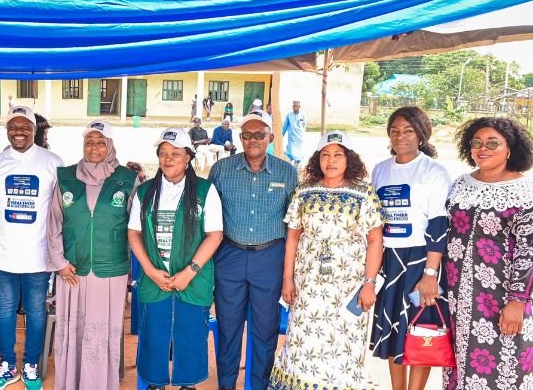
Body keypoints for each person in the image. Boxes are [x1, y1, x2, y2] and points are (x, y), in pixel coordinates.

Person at [269, 131, 385, 389]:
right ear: (317, 159)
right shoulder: (304, 191)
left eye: (338, 155)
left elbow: (376, 240)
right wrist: (287, 279)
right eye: (325, 155)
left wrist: (369, 283)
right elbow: (293, 237)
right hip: (308, 282)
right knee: (303, 340)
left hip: (347, 286)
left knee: (343, 342)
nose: (331, 161)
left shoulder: (364, 193)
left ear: (349, 158)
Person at [443, 117, 533, 390]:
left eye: (492, 143)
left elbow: (528, 252)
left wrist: (517, 302)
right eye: (476, 142)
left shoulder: (525, 192)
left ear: (509, 149)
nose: (482, 148)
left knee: (503, 365)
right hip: (455, 297)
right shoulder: (460, 184)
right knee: (458, 368)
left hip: (498, 298)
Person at [128, 128, 224, 390]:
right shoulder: (145, 191)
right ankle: (155, 384)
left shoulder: (205, 191)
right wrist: (149, 270)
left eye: (175, 154)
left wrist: (189, 272)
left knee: (190, 338)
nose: (168, 159)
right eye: (163, 154)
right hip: (154, 279)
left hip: (192, 281)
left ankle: (187, 384)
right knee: (153, 338)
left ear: (188, 158)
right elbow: (133, 232)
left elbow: (215, 235)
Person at [208, 112, 298, 390]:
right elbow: (210, 217)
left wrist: (288, 273)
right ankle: (226, 385)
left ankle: (258, 384)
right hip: (229, 256)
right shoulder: (221, 170)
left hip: (270, 258)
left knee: (265, 328)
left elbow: (294, 223)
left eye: (260, 134)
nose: (253, 140)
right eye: (247, 135)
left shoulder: (287, 172)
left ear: (270, 137)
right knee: (229, 325)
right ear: (240, 139)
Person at [0, 106, 62, 390]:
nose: (19, 131)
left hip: (39, 257)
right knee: (4, 312)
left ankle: (31, 364)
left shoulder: (53, 162)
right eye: (13, 126)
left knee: (36, 312)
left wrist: (58, 254)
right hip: (3, 256)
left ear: (35, 130)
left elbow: (61, 212)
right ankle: (7, 364)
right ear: (7, 130)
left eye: (25, 126)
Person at [48, 120, 138, 390]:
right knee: (73, 328)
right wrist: (60, 263)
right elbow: (53, 223)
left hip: (110, 270)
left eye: (100, 142)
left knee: (101, 330)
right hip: (71, 270)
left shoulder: (127, 179)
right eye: (89, 141)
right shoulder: (65, 177)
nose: (94, 147)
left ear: (110, 145)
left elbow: (136, 228)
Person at [369, 107, 451, 390]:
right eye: (394, 130)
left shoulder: (433, 171)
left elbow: (439, 223)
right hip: (388, 260)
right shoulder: (380, 169)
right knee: (393, 331)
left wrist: (431, 273)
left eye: (408, 130)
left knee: (420, 330)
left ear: (421, 134)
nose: (400, 136)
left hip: (421, 260)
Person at [281, 100, 306, 167]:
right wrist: (281, 136)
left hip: (300, 139)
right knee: (291, 153)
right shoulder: (289, 115)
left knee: (299, 156)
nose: (294, 108)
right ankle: (289, 168)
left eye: (296, 106)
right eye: (293, 106)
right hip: (292, 138)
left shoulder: (303, 115)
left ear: (299, 107)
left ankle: (297, 170)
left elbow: (303, 126)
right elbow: (285, 126)